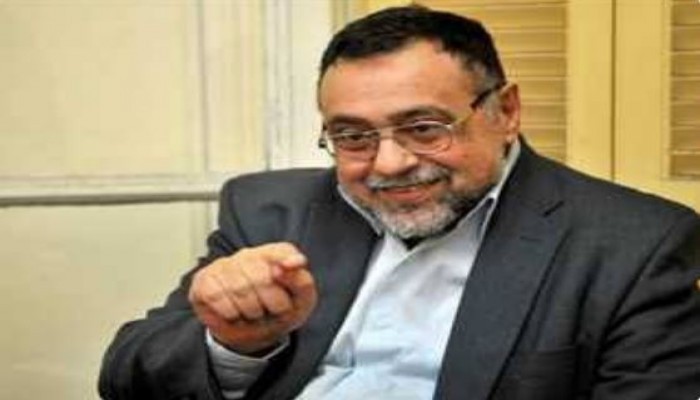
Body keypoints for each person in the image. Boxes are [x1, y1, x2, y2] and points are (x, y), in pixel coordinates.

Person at [99, 5, 700, 400]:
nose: (387, 164)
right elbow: (126, 377)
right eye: (352, 136)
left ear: (506, 111)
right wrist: (235, 346)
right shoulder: (269, 210)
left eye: (424, 128)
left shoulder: (634, 243)